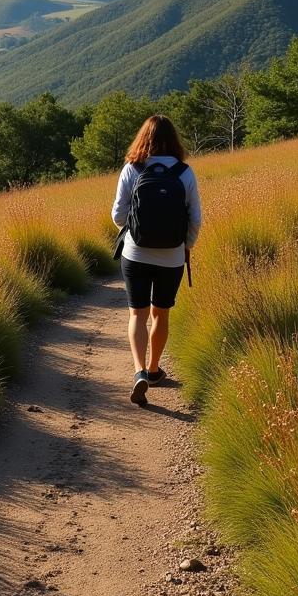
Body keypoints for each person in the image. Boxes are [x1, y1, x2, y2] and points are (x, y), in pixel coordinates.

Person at [111, 115, 201, 406]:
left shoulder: (132, 169)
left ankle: (138, 371)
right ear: (174, 140)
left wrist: (136, 230)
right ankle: (153, 370)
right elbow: (195, 219)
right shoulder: (185, 173)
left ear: (142, 138)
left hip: (135, 253)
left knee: (136, 314)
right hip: (172, 256)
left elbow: (117, 216)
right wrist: (184, 245)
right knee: (160, 314)